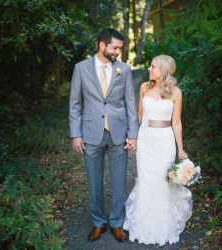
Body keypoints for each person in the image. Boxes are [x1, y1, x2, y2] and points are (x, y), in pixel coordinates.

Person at [69, 28, 139, 242]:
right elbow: (75, 104)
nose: (118, 51)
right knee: (94, 181)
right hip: (91, 133)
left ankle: (117, 223)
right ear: (102, 45)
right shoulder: (81, 69)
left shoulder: (124, 70)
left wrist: (133, 134)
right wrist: (75, 134)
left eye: (120, 48)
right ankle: (98, 222)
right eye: (115, 47)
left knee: (119, 181)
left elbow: (130, 103)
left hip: (118, 133)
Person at [123, 55, 193, 246]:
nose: (149, 69)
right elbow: (139, 114)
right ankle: (142, 227)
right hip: (146, 140)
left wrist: (181, 149)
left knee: (163, 182)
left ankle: (163, 228)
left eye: (153, 67)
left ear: (163, 70)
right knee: (146, 180)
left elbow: (176, 122)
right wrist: (133, 137)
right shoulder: (144, 87)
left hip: (165, 141)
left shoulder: (176, 93)